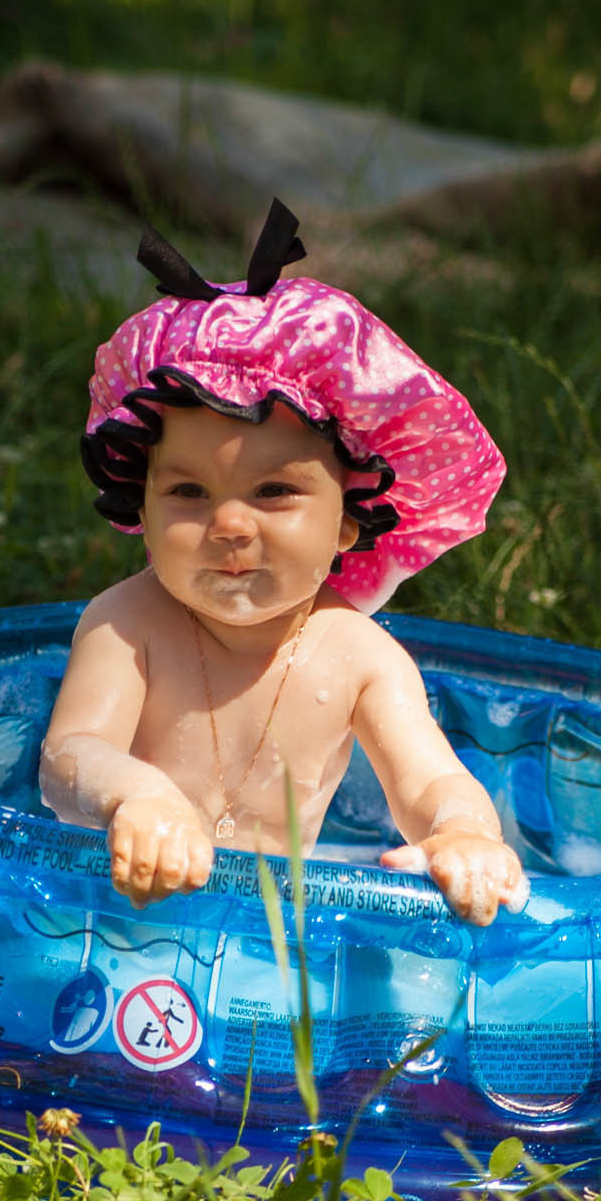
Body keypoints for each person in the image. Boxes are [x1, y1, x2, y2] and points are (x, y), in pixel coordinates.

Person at [39, 201, 529, 926]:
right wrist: (135, 794)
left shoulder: (361, 657)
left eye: (273, 491)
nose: (229, 523)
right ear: (139, 503)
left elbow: (431, 780)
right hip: (108, 915)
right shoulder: (127, 623)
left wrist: (463, 832)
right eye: (188, 491)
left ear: (349, 520)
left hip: (269, 937)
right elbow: (68, 756)